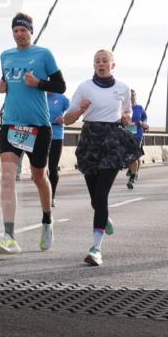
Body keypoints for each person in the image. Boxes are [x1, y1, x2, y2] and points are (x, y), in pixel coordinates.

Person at [0, 12, 66, 255]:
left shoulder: (44, 54)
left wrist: (40, 84)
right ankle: (9, 237)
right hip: (12, 124)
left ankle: (47, 219)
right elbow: (6, 82)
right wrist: (2, 87)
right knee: (7, 176)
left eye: (23, 30)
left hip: (38, 126)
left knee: (38, 177)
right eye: (15, 30)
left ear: (30, 32)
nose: (19, 34)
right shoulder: (5, 56)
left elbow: (61, 86)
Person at [63, 49, 142, 266]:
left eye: (105, 60)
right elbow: (67, 119)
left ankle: (96, 248)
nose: (101, 64)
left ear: (112, 65)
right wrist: (80, 110)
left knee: (102, 194)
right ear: (94, 65)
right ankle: (104, 218)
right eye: (97, 61)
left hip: (112, 140)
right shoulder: (84, 87)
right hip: (90, 139)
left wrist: (126, 117)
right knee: (95, 199)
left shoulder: (123, 88)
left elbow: (126, 113)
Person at [47, 89, 71, 205]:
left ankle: (52, 196)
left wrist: (65, 119)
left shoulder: (61, 98)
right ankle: (45, 193)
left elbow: (73, 109)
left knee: (52, 167)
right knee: (39, 168)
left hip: (56, 134)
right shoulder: (38, 96)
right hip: (40, 133)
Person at [124, 89, 149, 189]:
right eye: (130, 95)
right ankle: (133, 171)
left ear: (135, 96)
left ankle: (132, 178)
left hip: (137, 135)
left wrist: (143, 123)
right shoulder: (124, 108)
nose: (132, 97)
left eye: (133, 95)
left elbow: (145, 117)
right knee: (131, 157)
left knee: (134, 156)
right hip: (126, 134)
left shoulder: (139, 108)